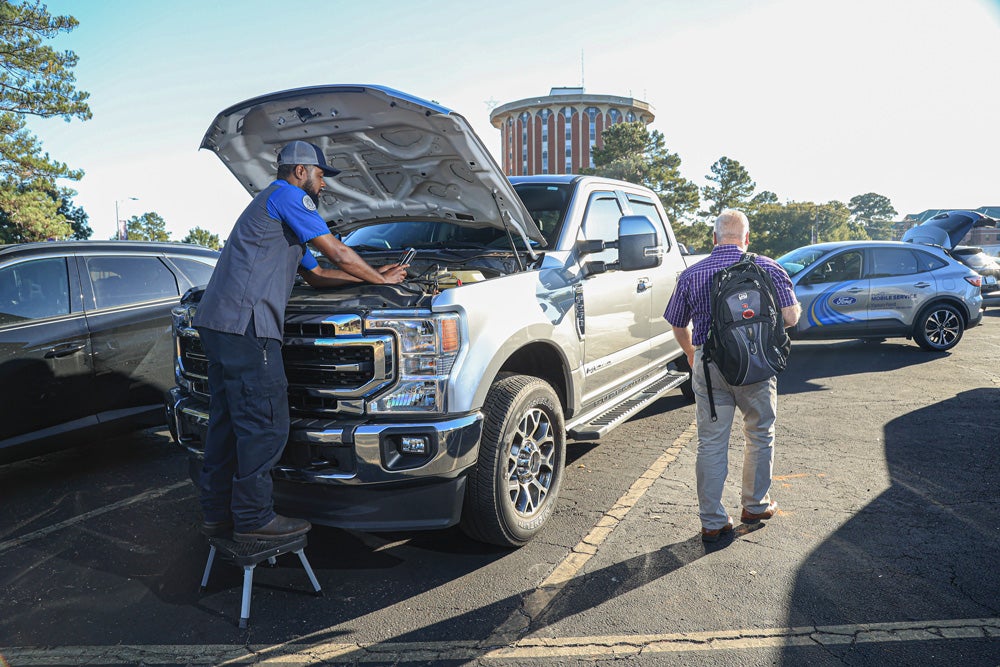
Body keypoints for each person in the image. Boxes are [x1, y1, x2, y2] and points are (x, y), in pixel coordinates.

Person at [194, 140, 408, 543]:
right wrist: (382, 281)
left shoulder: (273, 209)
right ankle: (255, 519)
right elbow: (339, 253)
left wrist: (374, 272)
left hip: (218, 324)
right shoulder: (290, 197)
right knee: (266, 425)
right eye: (321, 174)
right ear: (300, 171)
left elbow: (319, 275)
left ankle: (217, 514)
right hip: (248, 326)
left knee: (228, 423)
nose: (323, 184)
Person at [664, 209, 801, 542]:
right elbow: (791, 316)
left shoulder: (692, 273)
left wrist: (692, 353)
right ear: (747, 239)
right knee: (759, 433)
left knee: (711, 444)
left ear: (714, 238)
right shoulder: (768, 267)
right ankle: (755, 505)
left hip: (710, 369)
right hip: (757, 366)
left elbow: (677, 323)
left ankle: (712, 521)